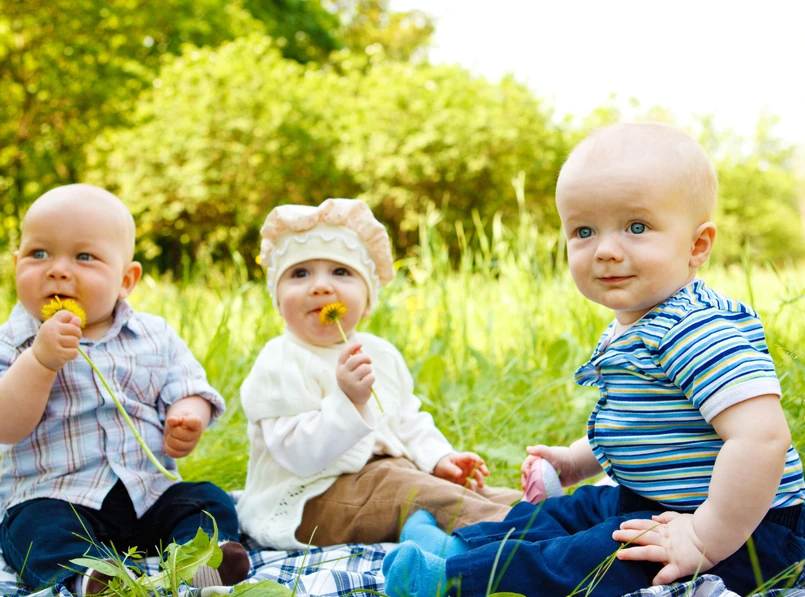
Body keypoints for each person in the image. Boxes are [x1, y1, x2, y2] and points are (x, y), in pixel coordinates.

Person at [382, 123, 805, 597]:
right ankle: (459, 549)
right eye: (584, 231)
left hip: (747, 531)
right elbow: (642, 424)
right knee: (570, 511)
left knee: (597, 554)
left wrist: (704, 536)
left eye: (636, 227)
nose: (605, 251)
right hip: (655, 501)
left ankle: (452, 581)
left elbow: (762, 439)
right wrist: (574, 462)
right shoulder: (636, 324)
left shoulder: (697, 329)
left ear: (697, 245)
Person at [0, 184, 250, 595]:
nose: (57, 270)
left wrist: (188, 414)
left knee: (207, 500)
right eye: (38, 254)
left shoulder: (153, 335)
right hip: (56, 497)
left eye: (84, 257)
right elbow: (6, 426)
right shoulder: (13, 342)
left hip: (149, 495)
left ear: (126, 279)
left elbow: (189, 386)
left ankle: (200, 560)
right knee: (32, 529)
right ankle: (92, 576)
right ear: (16, 265)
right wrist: (40, 362)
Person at [237, 198, 523, 550]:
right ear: (278, 299)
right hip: (310, 500)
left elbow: (407, 419)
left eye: (341, 272)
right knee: (414, 493)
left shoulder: (379, 352)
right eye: (300, 274)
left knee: (469, 492)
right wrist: (349, 402)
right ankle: (525, 538)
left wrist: (438, 457)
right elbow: (298, 455)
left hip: (389, 478)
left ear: (368, 299)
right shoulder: (280, 360)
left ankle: (549, 512)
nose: (321, 287)